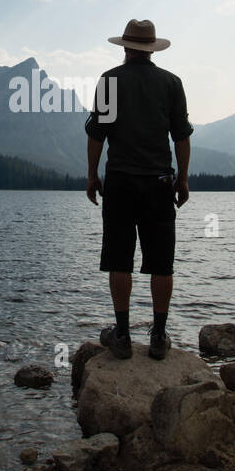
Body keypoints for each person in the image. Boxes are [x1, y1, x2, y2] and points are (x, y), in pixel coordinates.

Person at [84, 19, 192, 360]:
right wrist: (183, 179)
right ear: (152, 48)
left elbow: (96, 135)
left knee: (120, 259)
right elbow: (182, 137)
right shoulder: (171, 83)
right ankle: (159, 337)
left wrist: (92, 175)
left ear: (126, 48)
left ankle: (123, 336)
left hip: (119, 181)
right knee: (162, 263)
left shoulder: (110, 81)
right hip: (159, 182)